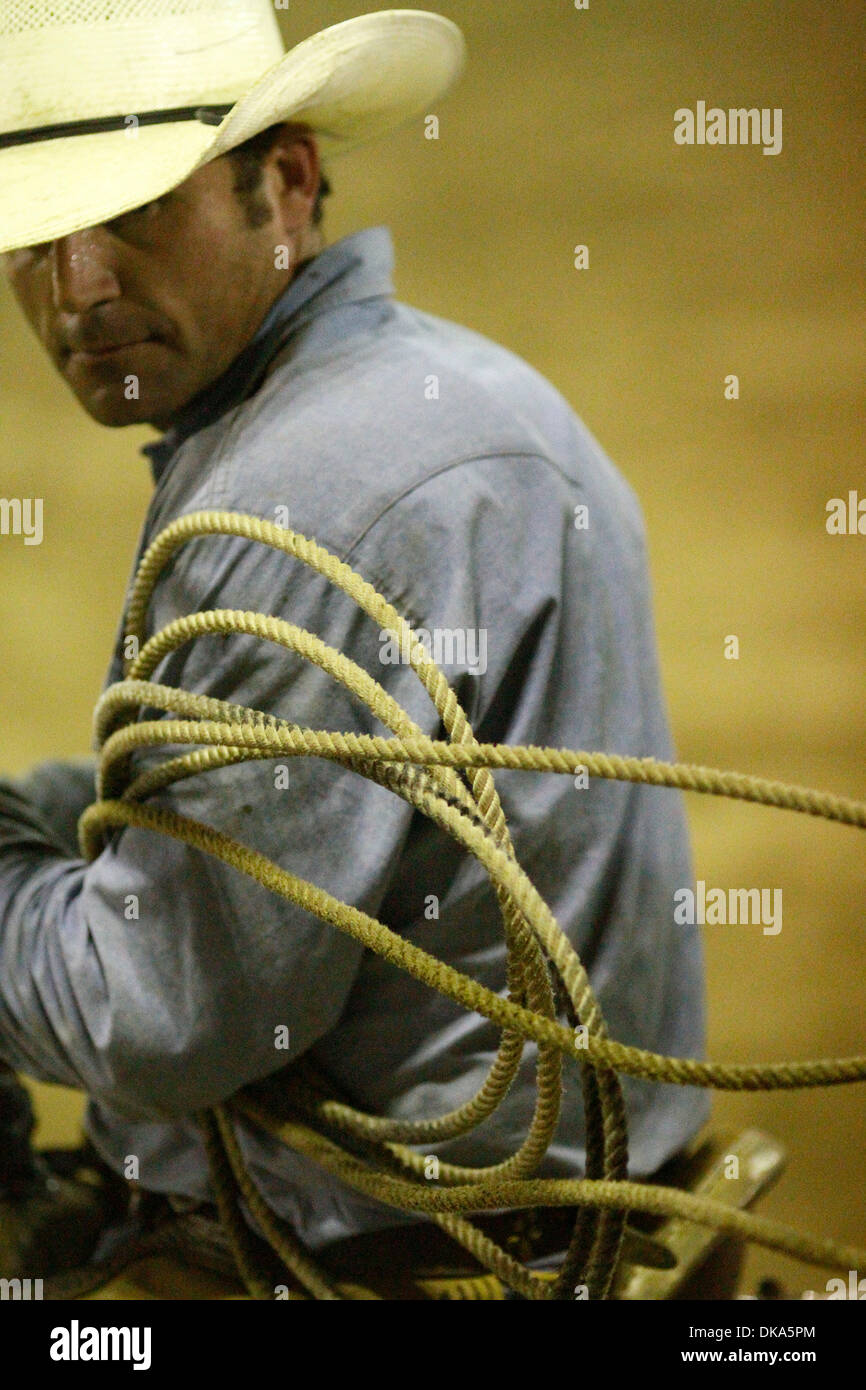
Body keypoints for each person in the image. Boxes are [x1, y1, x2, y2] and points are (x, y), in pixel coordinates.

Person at [0, 2, 707, 1297]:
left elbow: (154, 1021)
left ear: (286, 180)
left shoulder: (286, 503)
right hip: (577, 1175)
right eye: (38, 235)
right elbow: (285, 786)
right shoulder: (450, 388)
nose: (77, 286)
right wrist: (47, 813)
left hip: (378, 1248)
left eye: (138, 212)